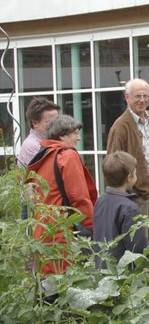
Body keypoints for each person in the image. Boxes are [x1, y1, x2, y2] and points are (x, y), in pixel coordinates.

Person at [27, 115, 98, 275]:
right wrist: (92, 227)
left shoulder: (44, 155)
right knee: (66, 284)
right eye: (75, 133)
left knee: (48, 283)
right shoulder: (67, 156)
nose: (78, 138)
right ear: (62, 135)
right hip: (63, 231)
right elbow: (79, 197)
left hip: (43, 229)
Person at [107, 78, 149, 218]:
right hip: (139, 196)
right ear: (127, 97)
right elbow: (113, 164)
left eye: (145, 96)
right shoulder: (120, 127)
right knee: (143, 236)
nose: (142, 100)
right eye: (138, 96)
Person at [93, 151, 149, 269]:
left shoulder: (100, 201)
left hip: (101, 267)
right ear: (129, 177)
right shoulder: (129, 208)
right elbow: (137, 247)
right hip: (122, 273)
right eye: (135, 173)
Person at [17, 97, 60, 168]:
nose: (56, 125)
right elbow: (51, 172)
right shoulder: (32, 146)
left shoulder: (51, 140)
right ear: (34, 123)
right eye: (50, 122)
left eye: (58, 121)